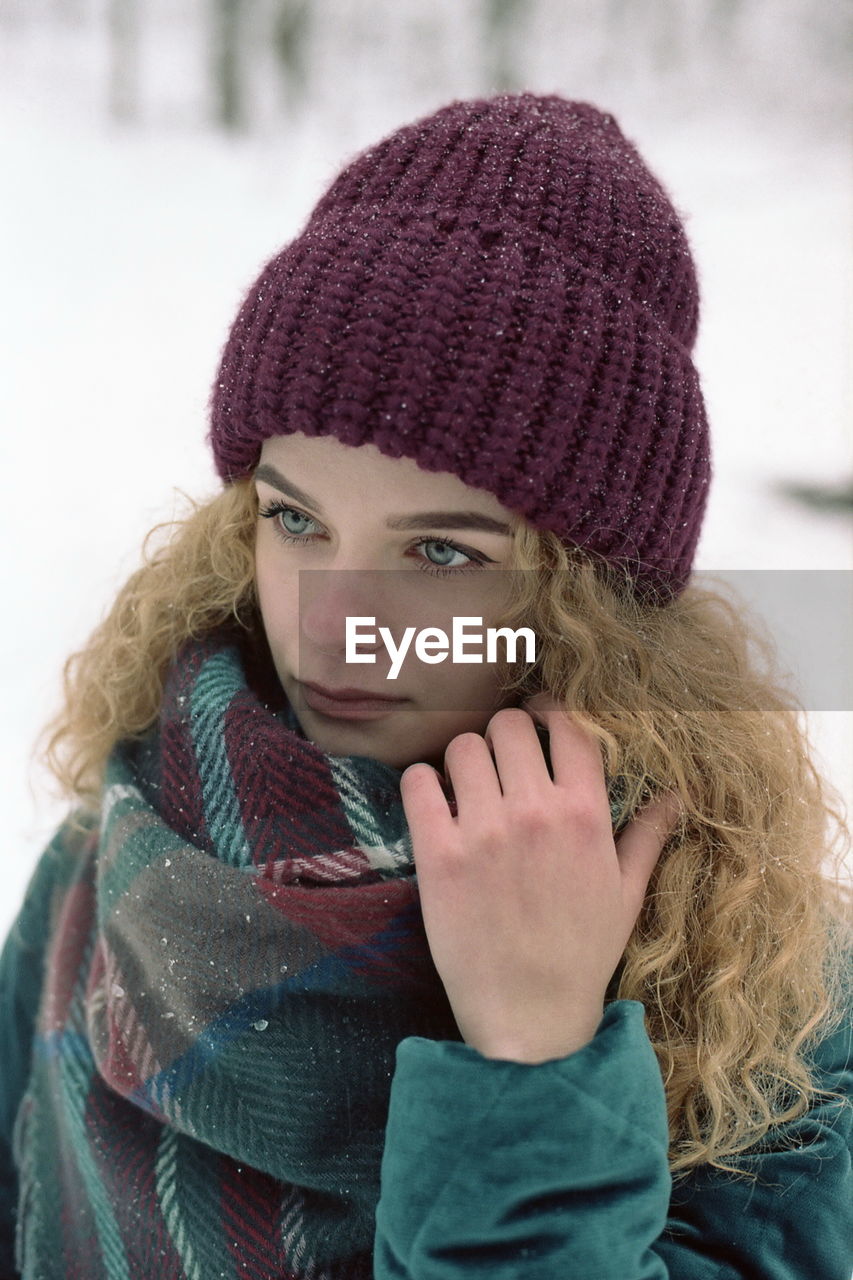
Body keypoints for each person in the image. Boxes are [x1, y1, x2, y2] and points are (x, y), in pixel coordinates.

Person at [0, 92, 850, 1280]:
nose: (333, 627)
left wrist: (534, 1061)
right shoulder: (110, 863)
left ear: (589, 599)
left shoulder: (762, 997)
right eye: (295, 518)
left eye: (442, 551)